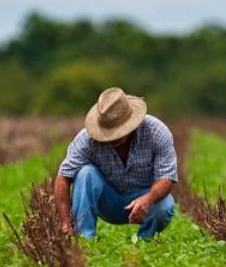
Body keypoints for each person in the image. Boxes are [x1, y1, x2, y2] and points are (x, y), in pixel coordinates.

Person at [54, 87, 177, 239]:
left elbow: (167, 177)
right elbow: (63, 177)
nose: (113, 137)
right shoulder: (86, 139)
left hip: (144, 199)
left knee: (164, 206)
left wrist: (148, 198)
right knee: (85, 173)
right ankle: (84, 239)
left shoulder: (157, 132)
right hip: (108, 202)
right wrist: (65, 222)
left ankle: (145, 242)